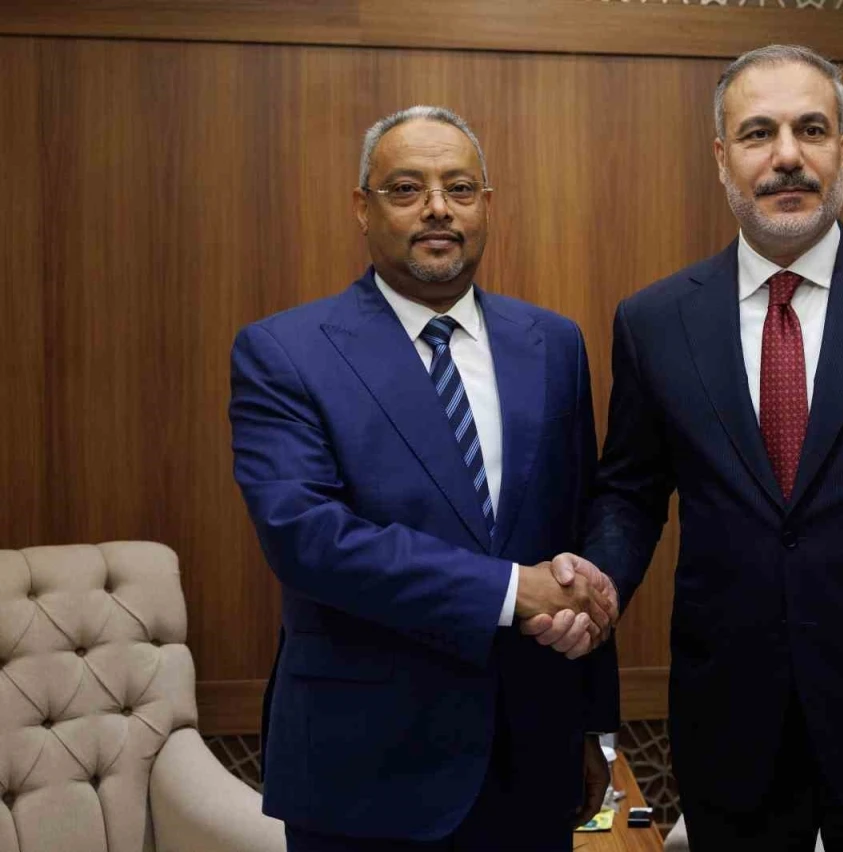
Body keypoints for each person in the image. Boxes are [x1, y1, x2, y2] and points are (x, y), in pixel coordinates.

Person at [525, 45, 843, 851]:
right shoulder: (655, 321)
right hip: (730, 716)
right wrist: (601, 582)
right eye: (758, 133)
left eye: (811, 129)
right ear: (722, 157)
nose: (787, 155)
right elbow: (631, 492)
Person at [229, 105, 619, 852]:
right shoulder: (285, 352)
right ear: (362, 207)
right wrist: (511, 590)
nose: (438, 208)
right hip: (365, 770)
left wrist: (593, 726)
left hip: (531, 757)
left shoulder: (553, 343)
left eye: (460, 188)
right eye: (407, 188)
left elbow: (577, 527)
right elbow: (307, 538)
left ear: (486, 205)